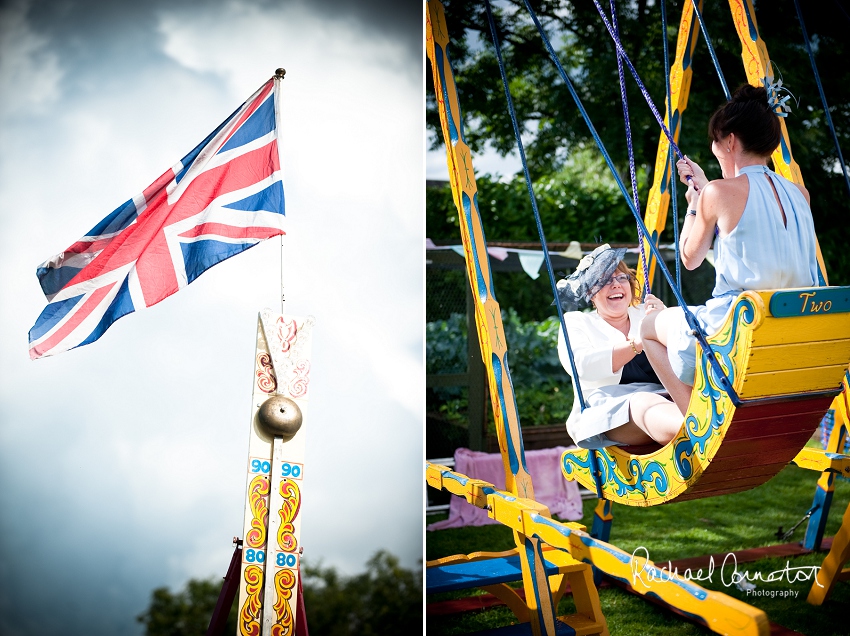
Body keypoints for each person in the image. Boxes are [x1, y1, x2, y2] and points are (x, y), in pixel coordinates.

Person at [640, 83, 819, 413]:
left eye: (716, 141)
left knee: (648, 326)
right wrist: (709, 188)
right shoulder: (800, 194)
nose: (714, 147)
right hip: (791, 334)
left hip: (735, 335)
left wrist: (695, 202)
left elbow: (689, 258)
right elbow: (745, 207)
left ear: (731, 140)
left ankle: (693, 423)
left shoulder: (717, 194)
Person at [556, 244, 683, 449]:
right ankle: (697, 430)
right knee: (642, 402)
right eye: (605, 280)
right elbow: (582, 366)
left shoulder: (646, 312)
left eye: (621, 278)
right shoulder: (576, 322)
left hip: (670, 395)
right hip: (610, 408)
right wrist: (639, 342)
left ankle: (710, 421)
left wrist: (667, 319)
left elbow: (685, 356)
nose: (615, 284)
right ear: (590, 292)